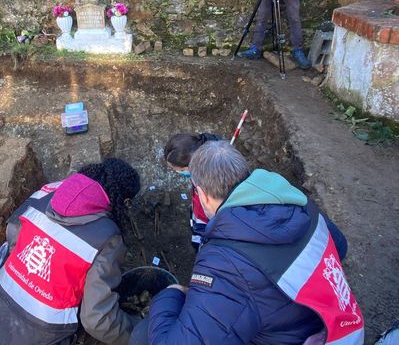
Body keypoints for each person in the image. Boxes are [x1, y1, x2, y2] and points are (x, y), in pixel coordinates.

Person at [136, 141, 364, 345]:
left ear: (203, 195)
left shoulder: (226, 264)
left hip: (316, 338)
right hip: (342, 324)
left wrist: (170, 294)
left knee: (142, 335)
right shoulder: (298, 203)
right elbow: (340, 246)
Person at [0, 158, 141, 345]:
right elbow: (96, 320)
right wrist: (141, 333)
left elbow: (13, 231)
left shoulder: (46, 192)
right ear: (124, 200)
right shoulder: (107, 237)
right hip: (41, 335)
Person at [163, 132, 223, 250]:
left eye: (180, 170)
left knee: (203, 242)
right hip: (199, 209)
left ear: (192, 165)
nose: (179, 173)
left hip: (208, 218)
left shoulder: (212, 180)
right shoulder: (200, 165)